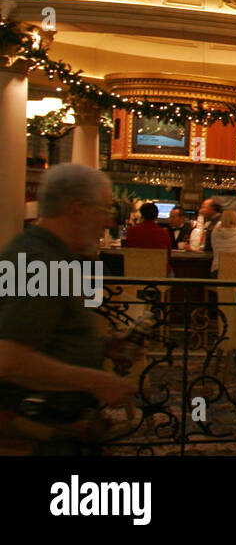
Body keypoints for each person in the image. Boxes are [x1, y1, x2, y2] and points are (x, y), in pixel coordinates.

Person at [0, 164, 139, 454]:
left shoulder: (52, 257)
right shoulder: (39, 263)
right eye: (104, 210)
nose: (107, 222)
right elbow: (10, 360)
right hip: (35, 434)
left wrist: (99, 348)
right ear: (77, 210)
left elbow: (43, 338)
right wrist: (97, 381)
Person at [122, 201, 172, 273]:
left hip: (135, 272)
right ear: (156, 216)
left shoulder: (132, 231)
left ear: (142, 214)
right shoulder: (164, 233)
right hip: (159, 273)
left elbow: (127, 250)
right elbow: (168, 255)